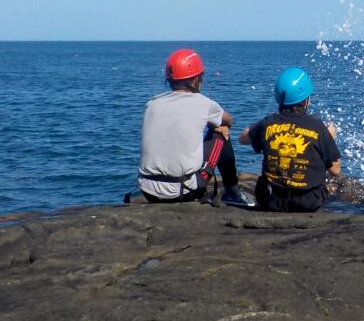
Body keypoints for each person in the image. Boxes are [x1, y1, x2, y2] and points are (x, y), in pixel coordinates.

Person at [137, 49, 247, 205]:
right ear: (195, 80)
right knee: (221, 133)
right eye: (201, 77)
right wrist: (218, 124)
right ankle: (233, 192)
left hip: (147, 190)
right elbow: (229, 120)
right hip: (182, 191)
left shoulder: (152, 104)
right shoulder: (203, 103)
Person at [238, 67, 341, 212]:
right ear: (306, 101)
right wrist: (328, 137)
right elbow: (336, 170)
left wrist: (260, 127)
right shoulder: (317, 126)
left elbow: (242, 139)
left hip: (271, 200)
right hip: (308, 202)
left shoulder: (267, 124)